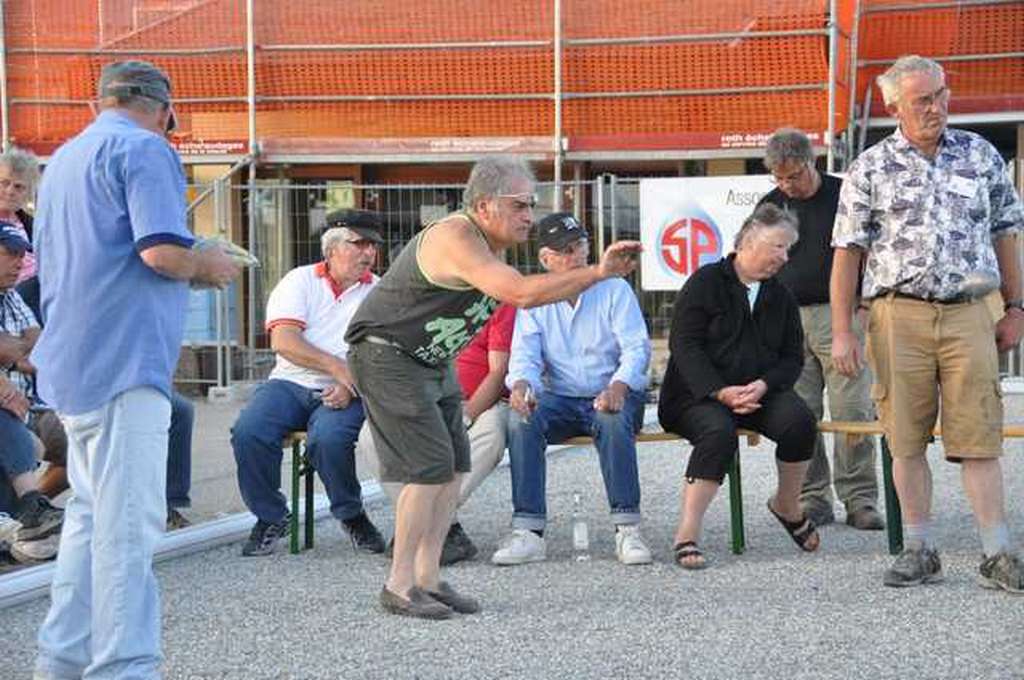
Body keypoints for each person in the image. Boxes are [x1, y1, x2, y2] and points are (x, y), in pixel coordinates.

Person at [345, 155, 641, 619]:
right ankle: (398, 585)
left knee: (452, 468)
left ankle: (428, 578)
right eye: (520, 205)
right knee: (427, 472)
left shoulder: (488, 244)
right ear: (484, 205)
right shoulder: (456, 236)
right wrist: (599, 272)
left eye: (531, 204)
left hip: (428, 359)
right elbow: (521, 294)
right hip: (389, 355)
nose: (530, 215)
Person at [32, 60, 242, 679]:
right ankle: (126, 668)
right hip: (124, 360)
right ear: (164, 108)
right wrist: (209, 262)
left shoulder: (66, 158)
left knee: (90, 518)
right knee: (127, 529)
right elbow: (160, 250)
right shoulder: (145, 150)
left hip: (73, 359)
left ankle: (62, 660)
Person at [831, 55, 1024, 593]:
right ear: (896, 106)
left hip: (970, 314)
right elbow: (847, 253)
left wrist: (1017, 307)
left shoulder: (982, 156)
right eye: (923, 100)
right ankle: (919, 548)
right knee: (905, 438)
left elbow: (1008, 231)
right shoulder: (869, 167)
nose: (937, 106)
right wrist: (844, 330)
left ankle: (998, 554)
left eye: (940, 94)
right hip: (898, 315)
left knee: (980, 435)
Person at [658, 203, 820, 569]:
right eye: (778, 246)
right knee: (718, 432)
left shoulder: (781, 295)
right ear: (747, 241)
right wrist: (719, 391)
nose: (784, 256)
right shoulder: (704, 282)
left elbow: (792, 358)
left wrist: (764, 385)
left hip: (758, 391)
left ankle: (788, 506)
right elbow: (684, 345)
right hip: (695, 395)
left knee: (800, 422)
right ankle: (687, 533)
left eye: (788, 249)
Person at [493, 212, 653, 566]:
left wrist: (618, 387)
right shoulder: (536, 299)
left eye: (580, 245)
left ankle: (628, 528)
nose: (576, 256)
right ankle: (528, 531)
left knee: (611, 419)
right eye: (565, 250)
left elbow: (636, 349)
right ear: (546, 259)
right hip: (560, 396)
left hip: (614, 390)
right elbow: (524, 356)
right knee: (521, 418)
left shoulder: (614, 288)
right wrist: (521, 387)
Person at [231, 209, 386, 557]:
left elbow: (380, 355)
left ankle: (352, 515)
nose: (368, 253)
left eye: (373, 245)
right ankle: (271, 516)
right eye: (358, 244)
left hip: (351, 388)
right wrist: (335, 365)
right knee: (248, 431)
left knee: (329, 439)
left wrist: (349, 384)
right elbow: (284, 341)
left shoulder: (379, 292)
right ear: (331, 250)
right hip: (290, 381)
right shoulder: (298, 281)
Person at [758, 128, 883, 531]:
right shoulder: (770, 205)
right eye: (778, 178)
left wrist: (863, 308)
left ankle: (860, 498)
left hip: (841, 315)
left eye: (793, 176)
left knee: (853, 409)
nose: (786, 186)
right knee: (800, 412)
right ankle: (813, 498)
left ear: (811, 161)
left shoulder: (846, 195)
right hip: (787, 320)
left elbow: (874, 253)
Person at [361, 302, 516, 565]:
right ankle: (442, 529)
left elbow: (498, 371)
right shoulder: (423, 303)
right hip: (426, 403)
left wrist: (466, 416)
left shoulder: (497, 303)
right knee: (370, 433)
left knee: (490, 435)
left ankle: (418, 527)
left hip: (480, 403)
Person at [0, 224, 63, 563]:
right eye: (9, 253)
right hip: (10, 410)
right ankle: (32, 508)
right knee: (12, 430)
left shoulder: (12, 296)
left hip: (31, 405)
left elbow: (39, 351)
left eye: (21, 255)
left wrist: (13, 351)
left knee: (81, 433)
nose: (18, 262)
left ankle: (36, 514)